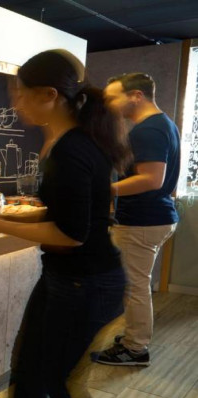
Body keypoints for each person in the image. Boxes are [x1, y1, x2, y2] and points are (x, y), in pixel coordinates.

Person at [0, 49, 132, 398]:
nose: (16, 104)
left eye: (21, 94)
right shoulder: (73, 142)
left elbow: (71, 234)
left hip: (86, 283)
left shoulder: (72, 149)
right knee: (28, 373)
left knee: (61, 383)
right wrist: (11, 218)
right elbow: (65, 215)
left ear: (50, 95)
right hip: (66, 278)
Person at [94, 73, 180, 366]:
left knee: (134, 286)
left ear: (136, 96)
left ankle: (135, 348)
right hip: (155, 216)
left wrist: (102, 189)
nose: (108, 104)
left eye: (112, 98)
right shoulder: (163, 123)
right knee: (136, 284)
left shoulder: (148, 130)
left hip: (142, 220)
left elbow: (152, 179)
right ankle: (134, 338)